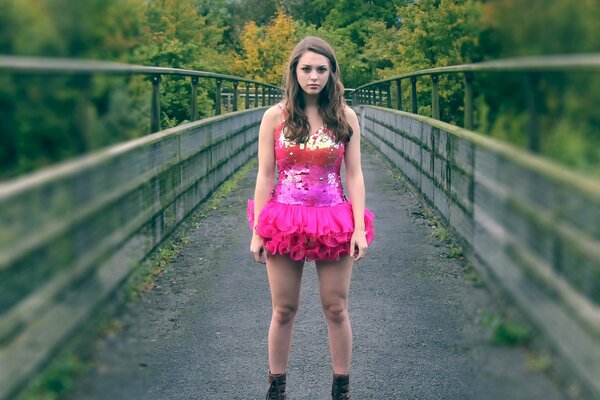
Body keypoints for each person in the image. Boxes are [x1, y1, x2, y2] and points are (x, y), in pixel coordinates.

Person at [247, 36, 375, 400]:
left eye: (322, 69)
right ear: (294, 71)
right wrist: (258, 230)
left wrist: (358, 230)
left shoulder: (345, 116)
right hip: (284, 219)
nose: (314, 76)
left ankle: (341, 389)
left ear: (332, 73)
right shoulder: (275, 116)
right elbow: (265, 175)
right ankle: (276, 388)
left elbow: (354, 175)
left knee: (336, 307)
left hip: (333, 218)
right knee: (283, 309)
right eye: (306, 69)